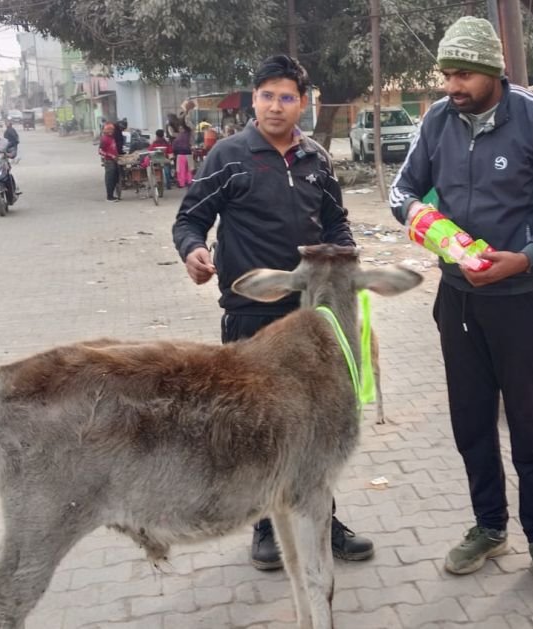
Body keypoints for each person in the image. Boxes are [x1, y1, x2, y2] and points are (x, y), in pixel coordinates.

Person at [389, 17, 533, 598]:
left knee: (529, 427)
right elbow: (403, 191)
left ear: (493, 72)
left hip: (520, 301)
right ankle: (489, 526)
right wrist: (424, 223)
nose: (452, 84)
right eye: (447, 72)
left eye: (463, 73)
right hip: (458, 300)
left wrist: (526, 258)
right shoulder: (438, 121)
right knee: (471, 421)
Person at [172, 54, 374, 572]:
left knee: (319, 424)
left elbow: (336, 222)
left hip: (312, 318)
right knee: (258, 427)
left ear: (302, 104)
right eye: (267, 96)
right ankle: (265, 525)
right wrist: (194, 251)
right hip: (249, 313)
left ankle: (323, 519)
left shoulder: (315, 160)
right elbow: (191, 218)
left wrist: (348, 262)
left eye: (287, 98)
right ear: (254, 99)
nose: (276, 106)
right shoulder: (231, 157)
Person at [98, 123, 120, 201]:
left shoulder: (111, 138)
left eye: (112, 130)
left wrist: (117, 155)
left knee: (115, 179)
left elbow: (114, 148)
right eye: (109, 130)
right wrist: (111, 155)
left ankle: (112, 195)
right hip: (109, 161)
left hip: (114, 161)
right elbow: (100, 151)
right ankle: (109, 197)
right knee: (110, 179)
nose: (111, 131)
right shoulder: (104, 139)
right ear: (106, 130)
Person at [171, 116, 193, 187]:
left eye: (180, 128)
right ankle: (189, 181)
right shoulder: (188, 134)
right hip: (188, 154)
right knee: (189, 169)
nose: (180, 129)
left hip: (180, 155)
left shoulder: (178, 137)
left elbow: (174, 147)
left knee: (181, 170)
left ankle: (182, 183)